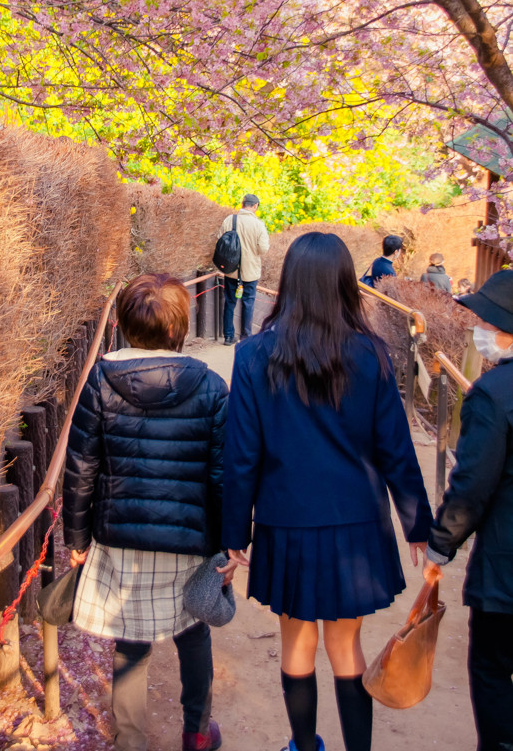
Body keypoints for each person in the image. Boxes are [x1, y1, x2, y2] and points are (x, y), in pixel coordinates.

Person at [220, 232, 432, 751]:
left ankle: (303, 745)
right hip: (357, 522)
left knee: (296, 640)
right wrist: (418, 525)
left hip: (285, 520)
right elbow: (395, 450)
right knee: (346, 644)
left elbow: (241, 455)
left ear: (289, 282)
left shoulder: (252, 357)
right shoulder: (372, 354)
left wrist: (233, 532)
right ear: (343, 283)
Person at [62, 273, 229, 751]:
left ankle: (130, 740)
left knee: (131, 641)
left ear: (122, 324)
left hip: (120, 535)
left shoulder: (101, 380)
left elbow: (81, 466)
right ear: (181, 328)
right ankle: (196, 731)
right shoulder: (212, 387)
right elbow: (222, 477)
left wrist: (76, 540)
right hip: (189, 538)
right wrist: (227, 544)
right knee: (193, 633)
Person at [425, 268, 513, 751]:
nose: (477, 331)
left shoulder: (494, 397)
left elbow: (472, 486)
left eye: (485, 322)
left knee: (493, 670)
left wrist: (441, 545)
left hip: (506, 569)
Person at [218, 194, 269, 345]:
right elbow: (264, 249)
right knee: (248, 303)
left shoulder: (229, 220)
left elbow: (220, 239)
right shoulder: (258, 225)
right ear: (255, 206)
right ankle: (246, 337)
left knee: (229, 302)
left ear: (242, 204)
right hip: (250, 272)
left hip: (231, 269)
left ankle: (228, 336)